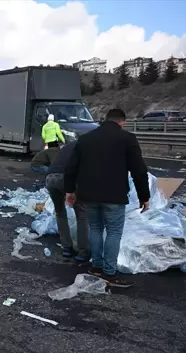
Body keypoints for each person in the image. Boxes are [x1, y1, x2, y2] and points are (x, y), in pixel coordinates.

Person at [64, 108, 150, 286]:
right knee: (113, 232)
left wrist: (70, 191)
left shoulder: (86, 139)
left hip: (89, 194)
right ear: (122, 122)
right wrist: (144, 196)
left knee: (95, 229)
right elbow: (139, 171)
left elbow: (71, 167)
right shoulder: (127, 139)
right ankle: (109, 273)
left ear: (105, 120)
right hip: (114, 195)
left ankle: (96, 266)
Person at [45, 141, 89, 260]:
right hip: (67, 177)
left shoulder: (68, 146)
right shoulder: (87, 147)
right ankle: (83, 251)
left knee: (60, 212)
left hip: (50, 178)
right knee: (81, 213)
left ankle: (67, 248)